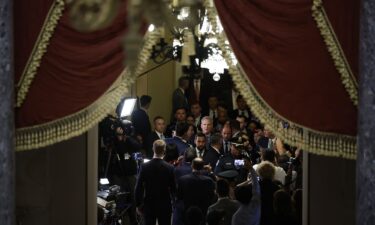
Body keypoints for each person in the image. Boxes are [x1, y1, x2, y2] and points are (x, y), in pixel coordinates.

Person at [135, 140, 176, 225]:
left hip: (149, 204)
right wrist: (174, 203)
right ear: (164, 150)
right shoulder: (170, 168)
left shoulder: (144, 167)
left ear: (153, 149)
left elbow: (138, 187)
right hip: (165, 204)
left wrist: (138, 204)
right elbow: (173, 188)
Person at [232, 161, 261, 225]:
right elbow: (256, 186)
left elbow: (256, 187)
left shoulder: (237, 216)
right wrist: (251, 168)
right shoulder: (255, 205)